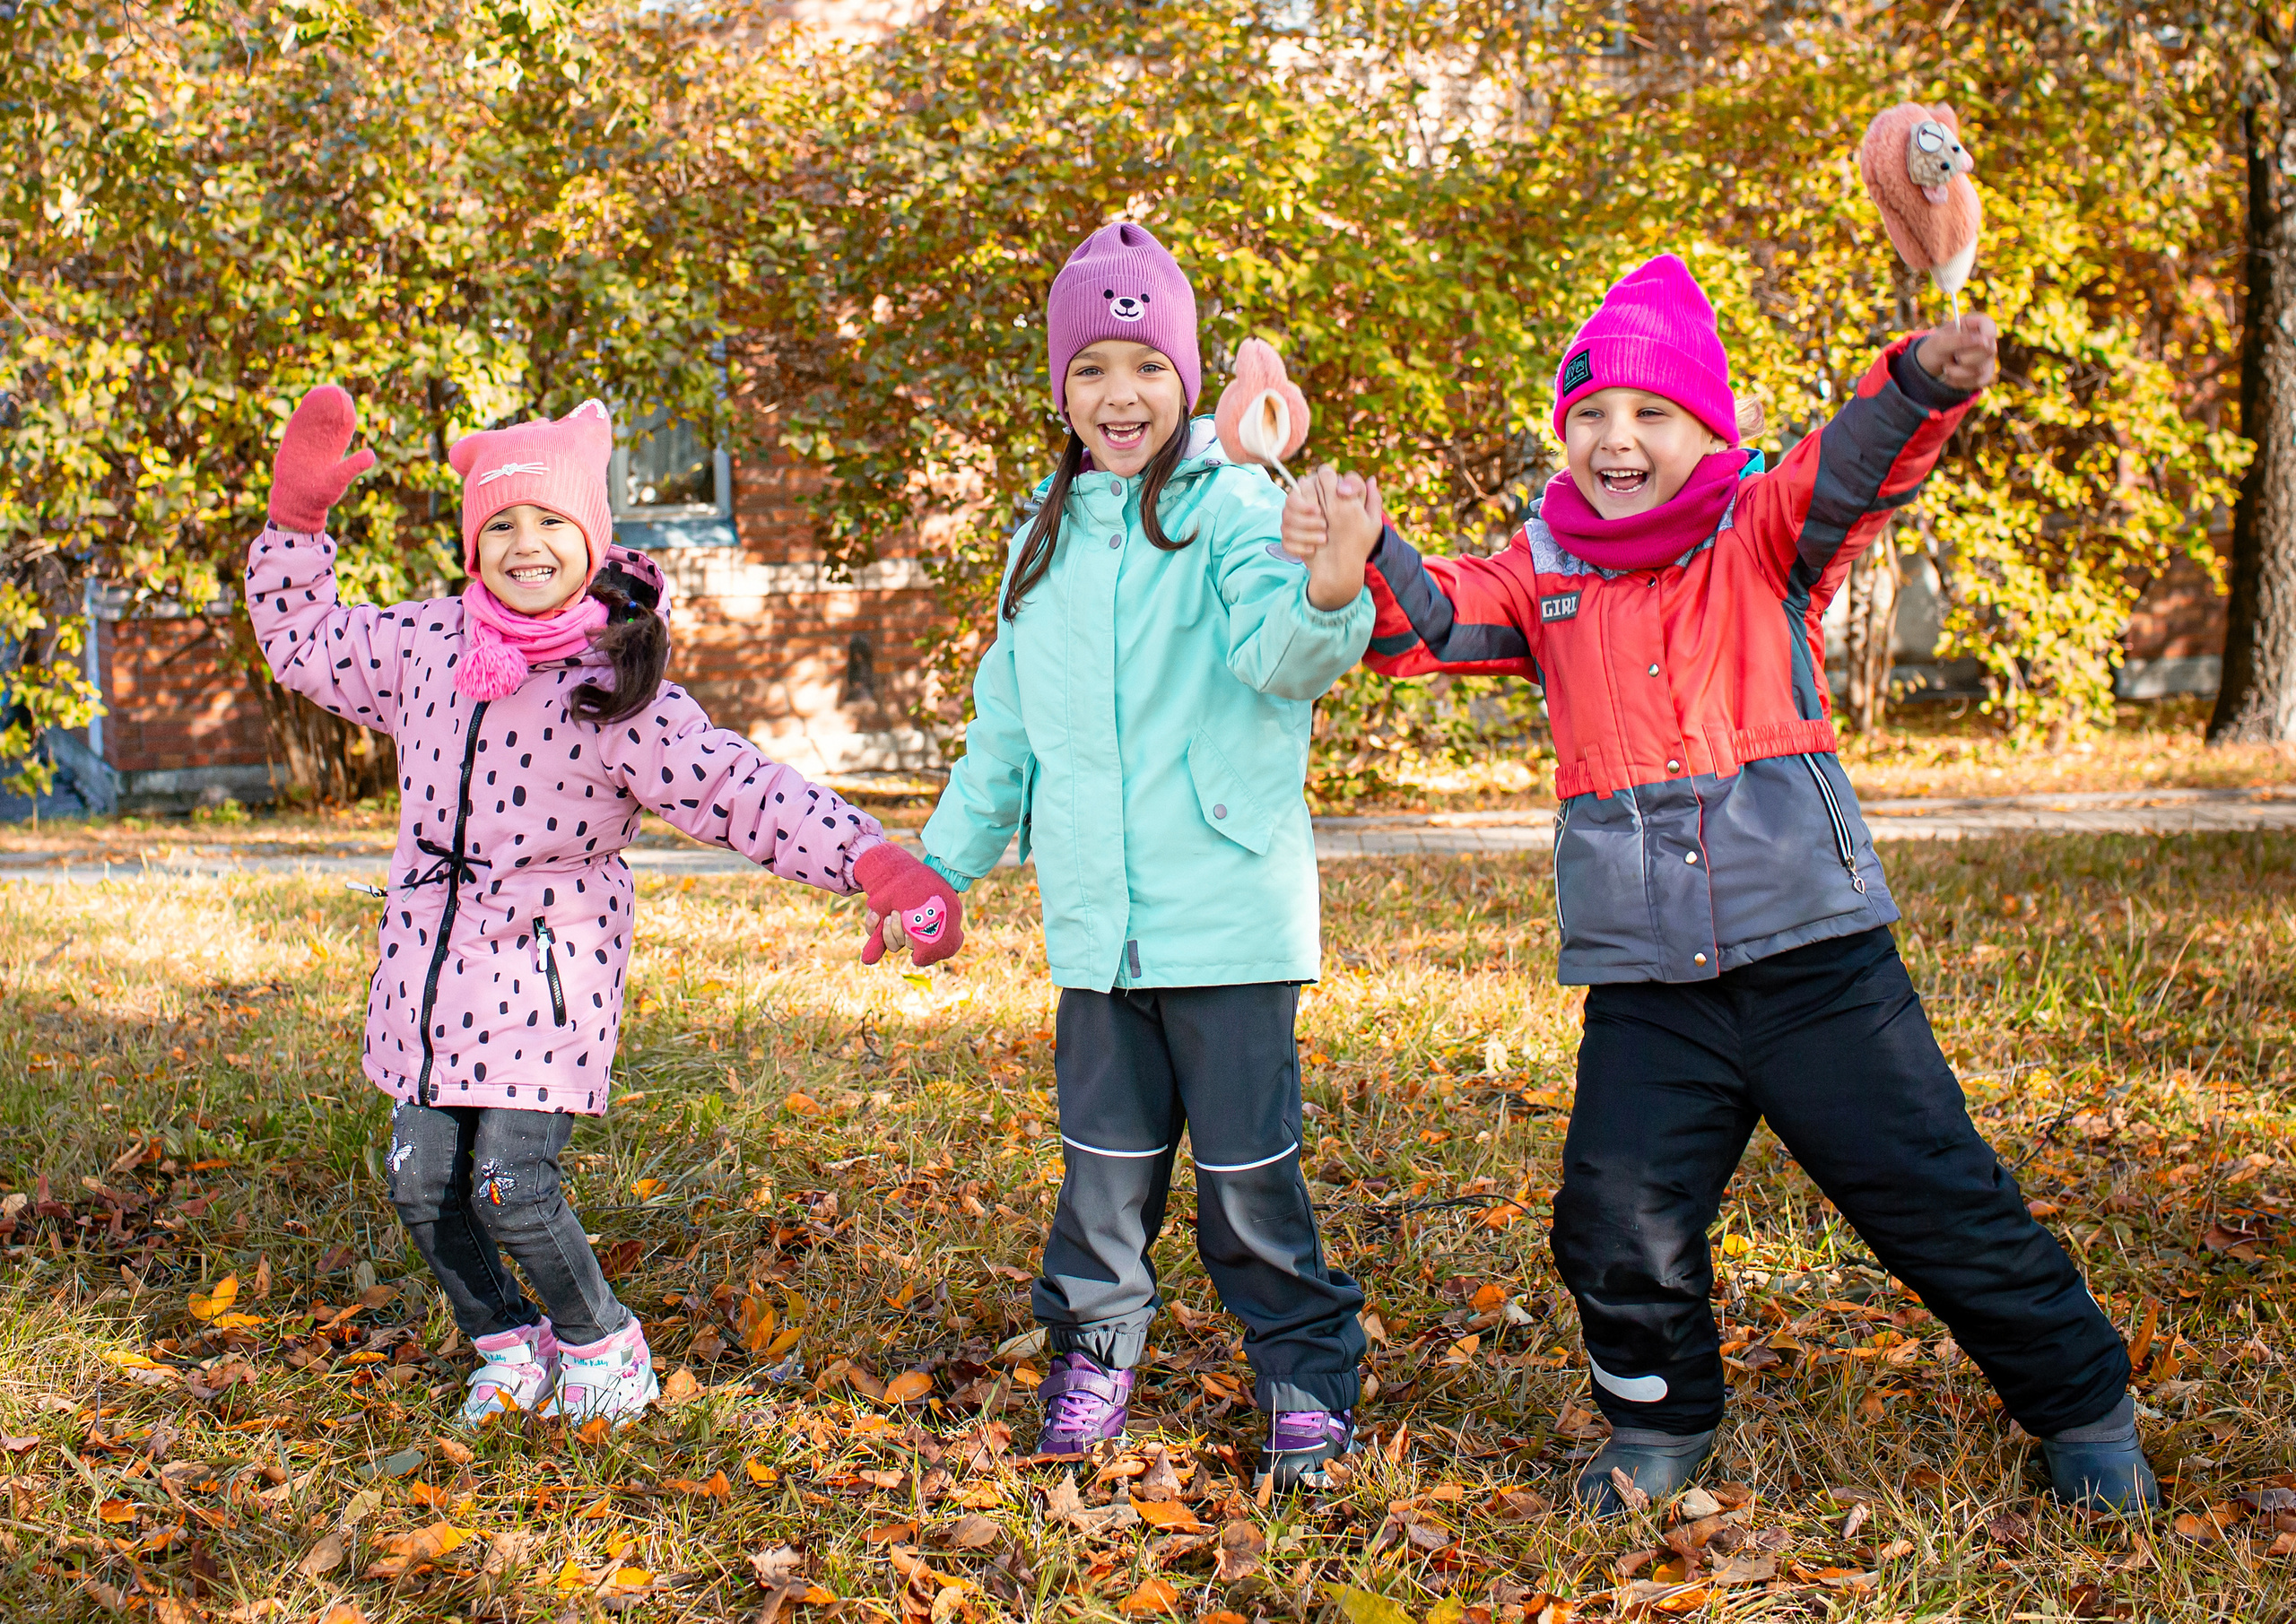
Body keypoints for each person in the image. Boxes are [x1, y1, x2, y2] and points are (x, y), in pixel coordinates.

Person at [1278, 254, 2157, 1513]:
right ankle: (1658, 1423)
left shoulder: (1764, 534)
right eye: (1588, 413)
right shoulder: (1547, 571)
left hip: (1817, 962)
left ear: (1708, 432)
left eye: (1650, 413)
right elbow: (1429, 620)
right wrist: (1367, 547)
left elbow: (1855, 463)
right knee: (1612, 1219)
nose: (1615, 437)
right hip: (1648, 987)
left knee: (1937, 1199)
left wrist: (1924, 378)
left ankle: (2084, 1402)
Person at [249, 386, 961, 1427]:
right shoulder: (424, 646)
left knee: (510, 1185)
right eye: (501, 524)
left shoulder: (614, 689)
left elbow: (739, 786)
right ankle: (507, 1340)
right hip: (427, 966)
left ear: (591, 538)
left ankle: (600, 1342)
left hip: (547, 968)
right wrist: (295, 525)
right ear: (472, 542)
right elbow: (305, 639)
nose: (524, 544)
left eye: (550, 523)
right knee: (418, 1179)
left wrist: (872, 861)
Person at [883, 222, 1371, 1489]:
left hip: (1225, 907)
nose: (1120, 395)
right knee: (1103, 1178)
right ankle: (1095, 1351)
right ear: (1061, 386)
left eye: (1147, 367)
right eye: (1092, 367)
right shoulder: (1039, 536)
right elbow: (1008, 730)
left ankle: (1306, 1378)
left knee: (1248, 1180)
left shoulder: (1236, 504)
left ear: (1189, 379)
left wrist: (1328, 590)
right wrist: (941, 865)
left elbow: (1278, 658)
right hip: (1099, 927)